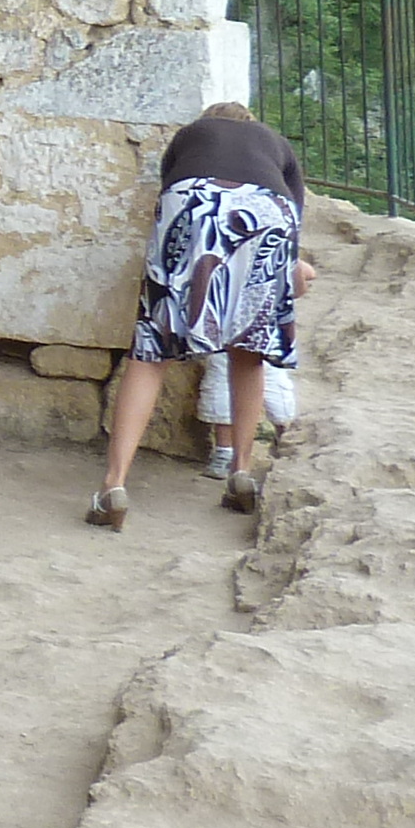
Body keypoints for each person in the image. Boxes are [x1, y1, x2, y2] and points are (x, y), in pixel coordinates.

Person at [87, 98, 320, 528]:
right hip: (269, 209)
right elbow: (293, 223)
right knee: (248, 350)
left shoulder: (189, 136)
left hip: (190, 200)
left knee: (151, 353)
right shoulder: (276, 144)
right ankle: (241, 475)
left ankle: (113, 486)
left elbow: (171, 192)